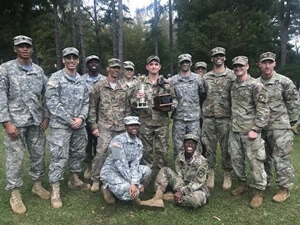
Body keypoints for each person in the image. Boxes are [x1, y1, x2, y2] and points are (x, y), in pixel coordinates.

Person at [0, 35, 50, 214]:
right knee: (15, 158)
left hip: (36, 122)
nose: (25, 49)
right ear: (15, 48)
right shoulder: (5, 69)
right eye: (21, 46)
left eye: (28, 46)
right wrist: (6, 121)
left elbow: (47, 94)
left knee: (38, 155)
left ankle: (37, 185)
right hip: (15, 122)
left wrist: (46, 116)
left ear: (32, 48)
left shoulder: (38, 71)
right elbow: (1, 95)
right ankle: (14, 193)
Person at [46, 47, 91, 209]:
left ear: (78, 60)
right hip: (61, 126)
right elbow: (51, 102)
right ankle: (55, 189)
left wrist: (81, 118)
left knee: (77, 153)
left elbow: (86, 102)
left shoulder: (82, 80)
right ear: (63, 60)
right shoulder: (55, 78)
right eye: (68, 58)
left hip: (79, 126)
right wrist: (68, 119)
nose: (71, 61)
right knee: (59, 157)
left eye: (74, 58)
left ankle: (74, 179)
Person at [257, 52, 300, 203]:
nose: (267, 65)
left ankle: (284, 188)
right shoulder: (256, 83)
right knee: (263, 157)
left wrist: (293, 122)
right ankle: (265, 181)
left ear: (274, 64)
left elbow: (293, 101)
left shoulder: (284, 81)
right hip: (262, 128)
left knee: (281, 158)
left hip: (280, 127)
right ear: (260, 65)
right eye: (264, 62)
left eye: (270, 62)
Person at [229, 56, 269, 208]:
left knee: (255, 162)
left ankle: (258, 191)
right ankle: (242, 183)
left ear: (247, 66)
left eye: (241, 65)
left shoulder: (256, 85)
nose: (238, 68)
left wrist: (256, 129)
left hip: (250, 131)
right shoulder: (233, 85)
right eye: (235, 66)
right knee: (236, 159)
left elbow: (263, 110)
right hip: (235, 130)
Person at [88, 58, 131, 192]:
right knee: (101, 152)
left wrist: (127, 127)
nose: (116, 70)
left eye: (118, 68)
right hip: (104, 127)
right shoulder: (99, 86)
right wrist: (93, 127)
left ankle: (115, 176)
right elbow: (92, 108)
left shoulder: (124, 88)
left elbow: (128, 109)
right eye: (113, 67)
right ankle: (95, 178)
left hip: (119, 128)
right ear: (108, 69)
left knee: (117, 154)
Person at [139, 134, 209, 209]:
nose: (190, 145)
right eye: (187, 142)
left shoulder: (202, 162)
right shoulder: (180, 156)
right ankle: (157, 197)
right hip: (183, 183)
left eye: (193, 143)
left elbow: (198, 182)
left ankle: (170, 197)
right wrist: (180, 188)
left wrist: (182, 192)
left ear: (196, 146)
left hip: (197, 189)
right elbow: (179, 176)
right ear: (183, 144)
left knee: (194, 202)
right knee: (165, 170)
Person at [131, 55, 177, 168]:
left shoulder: (166, 83)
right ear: (147, 67)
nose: (153, 66)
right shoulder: (139, 83)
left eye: (156, 64)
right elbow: (132, 102)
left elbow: (175, 100)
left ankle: (162, 175)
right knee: (146, 151)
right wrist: (137, 98)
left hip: (161, 123)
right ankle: (146, 174)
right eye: (151, 64)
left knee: (163, 151)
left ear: (159, 67)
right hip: (145, 123)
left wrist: (170, 107)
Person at [201, 47, 236, 190]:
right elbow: (201, 95)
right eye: (215, 56)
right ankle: (211, 172)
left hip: (225, 117)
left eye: (221, 55)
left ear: (225, 57)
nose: (218, 58)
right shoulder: (206, 77)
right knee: (209, 147)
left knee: (226, 147)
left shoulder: (232, 76)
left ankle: (227, 174)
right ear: (212, 59)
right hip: (209, 117)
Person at [100, 116, 151, 204]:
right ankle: (107, 188)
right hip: (112, 171)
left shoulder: (138, 143)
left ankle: (134, 190)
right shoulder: (116, 141)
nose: (134, 127)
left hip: (127, 170)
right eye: (130, 125)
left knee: (147, 171)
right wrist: (134, 183)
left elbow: (135, 164)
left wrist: (134, 183)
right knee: (128, 191)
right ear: (126, 127)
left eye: (136, 125)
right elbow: (119, 163)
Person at [168, 54, 206, 159]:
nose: (185, 64)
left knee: (195, 146)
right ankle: (180, 170)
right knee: (178, 146)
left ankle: (194, 170)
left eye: (187, 62)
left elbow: (202, 94)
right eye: (183, 62)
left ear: (191, 63)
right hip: (179, 119)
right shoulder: (173, 81)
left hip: (194, 119)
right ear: (179, 64)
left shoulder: (198, 79)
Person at [82, 55, 106, 180]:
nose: (94, 64)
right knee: (87, 142)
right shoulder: (81, 80)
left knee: (99, 143)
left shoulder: (104, 80)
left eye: (96, 62)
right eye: (91, 62)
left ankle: (98, 166)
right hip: (85, 116)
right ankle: (88, 166)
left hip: (101, 117)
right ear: (87, 65)